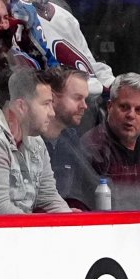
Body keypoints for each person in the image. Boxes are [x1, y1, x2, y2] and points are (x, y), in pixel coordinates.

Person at [0, 68, 72, 214]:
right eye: (46, 104)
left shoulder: (36, 140)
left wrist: (70, 224)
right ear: (21, 106)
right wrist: (40, 232)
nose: (52, 113)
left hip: (19, 232)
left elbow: (49, 198)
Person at [81, 73, 140, 210]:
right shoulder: (93, 146)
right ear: (109, 106)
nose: (131, 115)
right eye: (124, 107)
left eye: (138, 110)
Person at [41, 66, 100, 210]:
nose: (84, 106)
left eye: (85, 99)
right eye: (77, 98)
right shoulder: (30, 140)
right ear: (53, 99)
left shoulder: (71, 140)